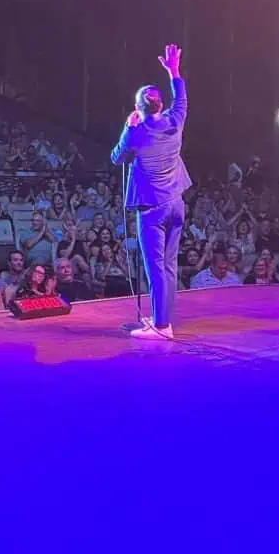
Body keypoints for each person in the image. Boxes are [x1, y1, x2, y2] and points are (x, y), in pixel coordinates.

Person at [111, 44, 190, 340]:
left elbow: (117, 157)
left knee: (155, 268)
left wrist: (126, 128)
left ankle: (161, 326)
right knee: (169, 267)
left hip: (152, 209)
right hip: (177, 204)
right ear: (160, 106)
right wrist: (174, 71)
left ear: (138, 109)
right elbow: (181, 98)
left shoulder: (136, 133)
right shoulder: (175, 121)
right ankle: (163, 319)